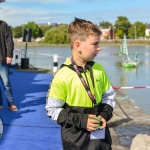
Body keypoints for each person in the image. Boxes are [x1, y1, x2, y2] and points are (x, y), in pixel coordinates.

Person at [45, 17, 116, 150]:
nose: (99, 48)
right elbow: (52, 110)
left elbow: (109, 97)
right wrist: (83, 121)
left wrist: (104, 115)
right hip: (75, 141)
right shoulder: (62, 76)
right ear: (78, 45)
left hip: (101, 140)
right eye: (95, 44)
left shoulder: (99, 69)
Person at [0, 20, 18, 112]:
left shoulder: (3, 25)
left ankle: (11, 104)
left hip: (2, 60)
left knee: (6, 83)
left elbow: (9, 41)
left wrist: (9, 55)